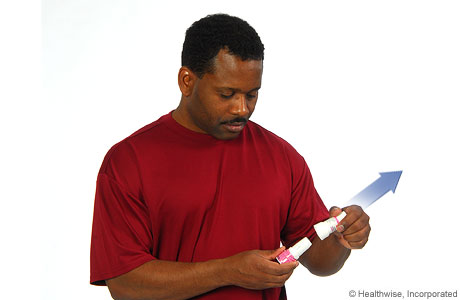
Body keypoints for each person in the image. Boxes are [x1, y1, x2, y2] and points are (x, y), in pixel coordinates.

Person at [90, 13, 371, 300]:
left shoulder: (281, 157)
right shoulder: (129, 161)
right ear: (187, 81)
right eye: (227, 94)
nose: (242, 109)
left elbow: (321, 262)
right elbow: (125, 284)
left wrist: (341, 239)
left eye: (251, 94)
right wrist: (227, 271)